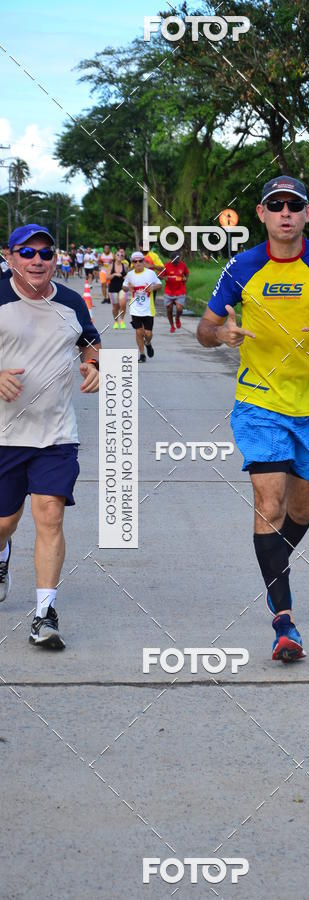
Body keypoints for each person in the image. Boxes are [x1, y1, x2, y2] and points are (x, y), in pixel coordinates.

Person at [197, 176, 309, 663]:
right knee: (268, 504)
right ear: (261, 213)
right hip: (259, 402)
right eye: (276, 205)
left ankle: (272, 562)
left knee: (300, 512)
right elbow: (205, 329)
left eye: (294, 205)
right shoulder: (242, 267)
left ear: (307, 214)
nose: (285, 213)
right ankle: (284, 621)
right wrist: (221, 335)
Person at [0, 223, 101, 649]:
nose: (37, 260)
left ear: (56, 258)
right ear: (9, 257)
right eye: (27, 252)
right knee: (5, 521)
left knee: (50, 513)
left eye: (45, 253)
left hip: (56, 433)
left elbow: (90, 342)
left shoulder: (72, 302)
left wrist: (93, 365)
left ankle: (44, 614)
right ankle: (3, 554)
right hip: (5, 436)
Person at [122, 250, 162, 362]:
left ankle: (148, 343)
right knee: (139, 331)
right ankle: (142, 354)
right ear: (132, 263)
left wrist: (153, 288)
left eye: (140, 261)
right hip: (135, 308)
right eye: (135, 261)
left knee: (148, 333)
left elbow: (159, 284)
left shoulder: (150, 273)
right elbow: (124, 287)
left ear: (143, 261)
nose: (138, 263)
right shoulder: (130, 275)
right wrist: (127, 288)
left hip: (148, 308)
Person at [162, 252, 189, 332]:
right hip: (169, 291)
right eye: (175, 261)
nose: (177, 262)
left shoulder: (183, 265)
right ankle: (172, 326)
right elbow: (159, 275)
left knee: (179, 308)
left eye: (178, 260)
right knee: (169, 309)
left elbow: (187, 274)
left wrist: (185, 279)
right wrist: (164, 277)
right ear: (171, 260)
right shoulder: (166, 266)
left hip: (180, 290)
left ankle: (177, 318)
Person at [108, 248, 129, 330]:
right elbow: (107, 277)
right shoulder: (111, 265)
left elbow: (126, 277)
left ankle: (122, 320)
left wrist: (126, 277)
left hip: (122, 287)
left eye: (122, 255)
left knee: (123, 304)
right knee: (115, 307)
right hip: (113, 288)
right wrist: (114, 274)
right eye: (118, 255)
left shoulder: (125, 266)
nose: (120, 256)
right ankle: (116, 321)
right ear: (115, 257)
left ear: (123, 257)